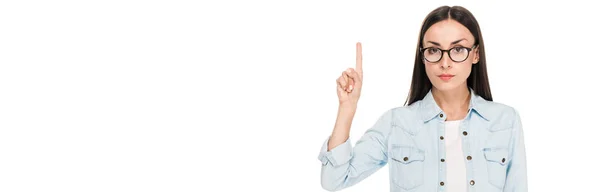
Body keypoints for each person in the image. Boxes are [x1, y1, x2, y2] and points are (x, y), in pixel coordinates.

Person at [317, 5, 528, 192]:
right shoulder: (396, 123)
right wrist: (347, 107)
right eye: (434, 50)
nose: (445, 63)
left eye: (457, 49)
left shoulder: (505, 120)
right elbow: (334, 180)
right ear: (422, 56)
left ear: (475, 54)